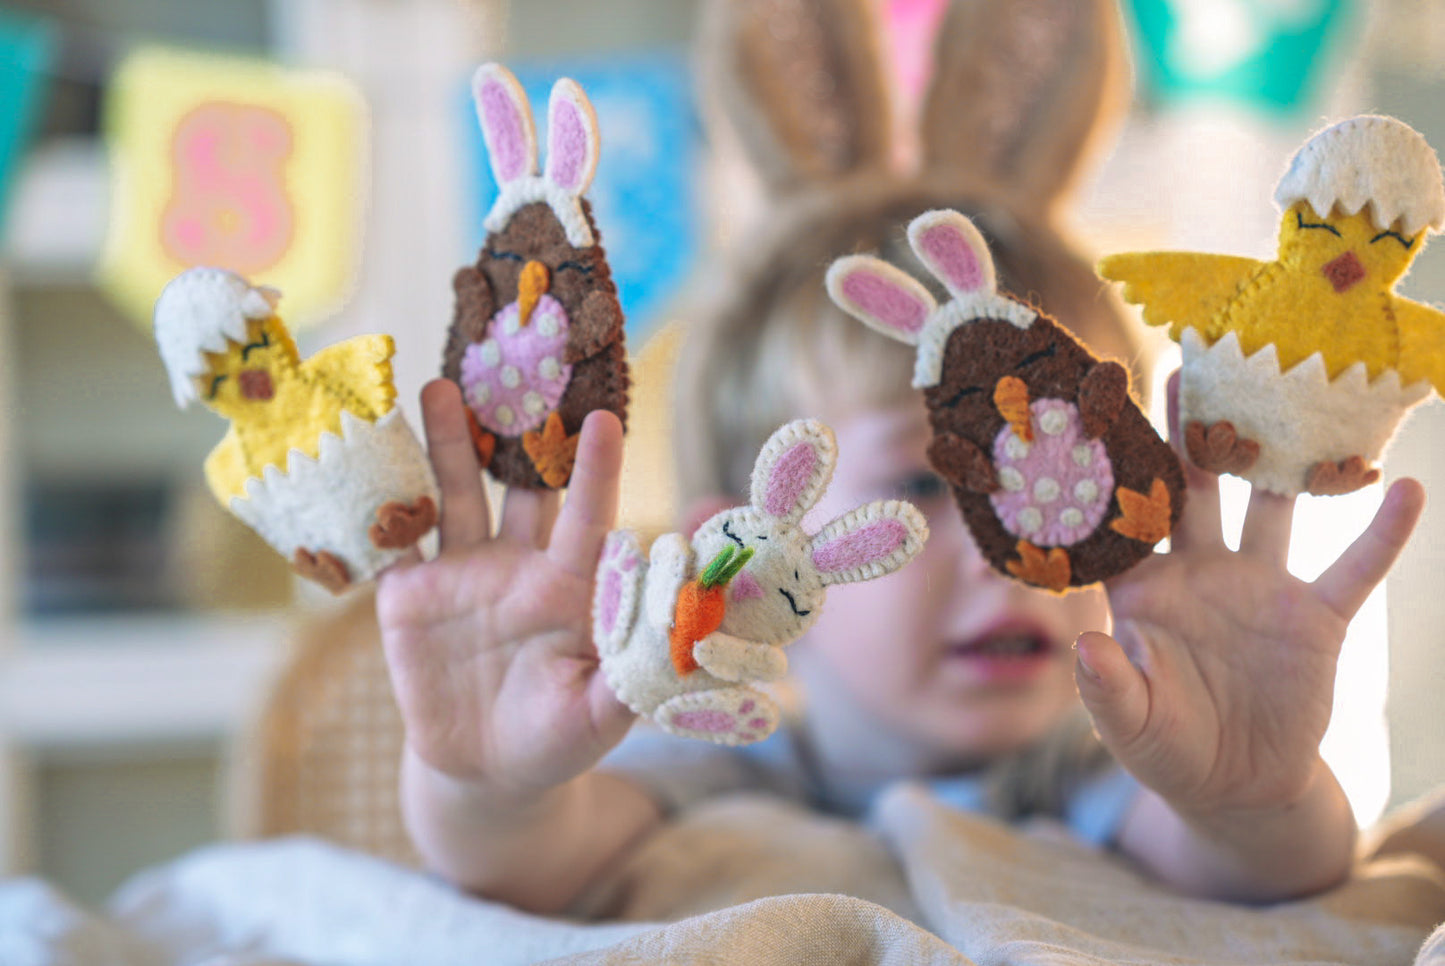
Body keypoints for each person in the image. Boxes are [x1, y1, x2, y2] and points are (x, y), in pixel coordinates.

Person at [375, 0, 1426, 917]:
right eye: (923, 485)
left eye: (1050, 478)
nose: (1001, 555)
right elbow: (530, 869)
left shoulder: (1108, 762)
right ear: (730, 558)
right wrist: (485, 788)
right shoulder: (718, 759)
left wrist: (1256, 800)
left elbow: (1249, 876)